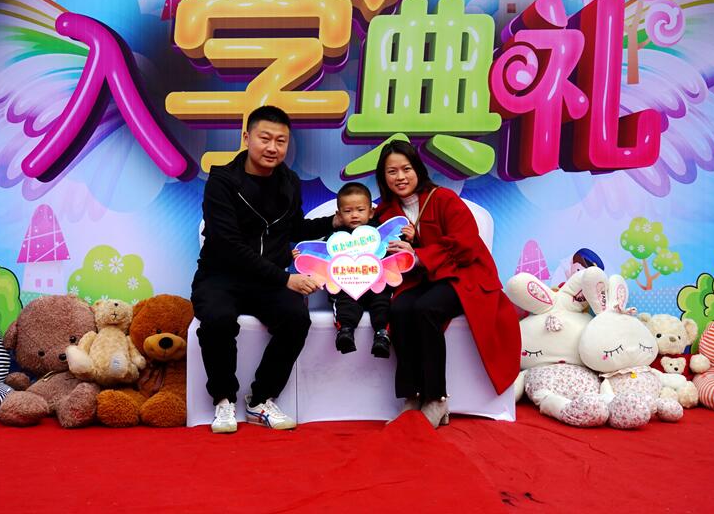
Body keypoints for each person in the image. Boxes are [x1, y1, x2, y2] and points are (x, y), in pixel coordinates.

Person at [192, 106, 338, 433]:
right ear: (247, 138)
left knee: (296, 319)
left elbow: (293, 228)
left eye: (281, 141)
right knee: (217, 319)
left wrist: (335, 222)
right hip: (221, 276)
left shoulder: (289, 181)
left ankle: (260, 399)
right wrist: (286, 279)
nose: (273, 147)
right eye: (265, 138)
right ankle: (223, 399)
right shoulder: (222, 181)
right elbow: (229, 246)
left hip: (267, 281)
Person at [374, 140, 520, 428]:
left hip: (464, 275)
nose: (400, 177)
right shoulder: (385, 213)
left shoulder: (443, 199)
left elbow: (466, 243)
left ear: (418, 170)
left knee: (426, 309)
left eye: (406, 169)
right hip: (422, 279)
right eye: (392, 171)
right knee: (400, 310)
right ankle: (411, 397)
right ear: (383, 177)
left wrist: (419, 253)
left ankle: (436, 399)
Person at [294, 182, 392, 357]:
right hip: (347, 285)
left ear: (371, 212)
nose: (354, 215)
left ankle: (382, 335)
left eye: (360, 210)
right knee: (345, 302)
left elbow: (394, 251)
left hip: (376, 285)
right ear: (338, 214)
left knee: (382, 302)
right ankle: (345, 332)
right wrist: (302, 257)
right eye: (348, 211)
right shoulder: (334, 237)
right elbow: (321, 259)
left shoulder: (380, 233)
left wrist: (408, 237)